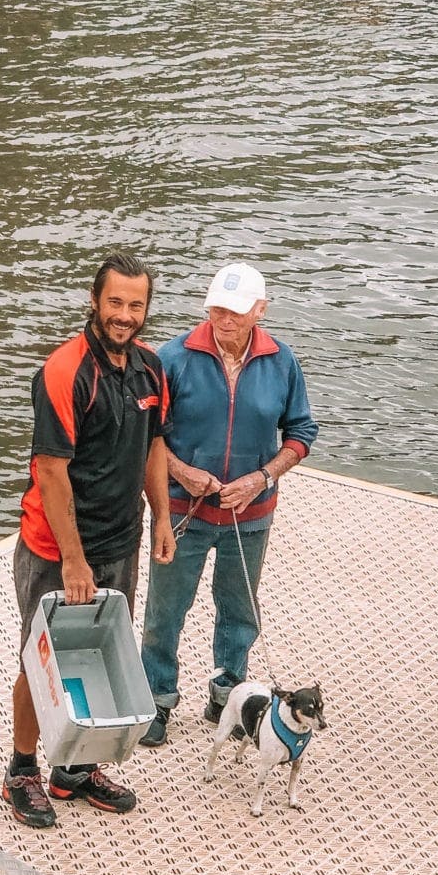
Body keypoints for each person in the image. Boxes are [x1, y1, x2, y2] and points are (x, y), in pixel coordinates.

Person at [3, 252, 175, 827]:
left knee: (102, 654)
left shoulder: (152, 371)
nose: (124, 315)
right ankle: (22, 769)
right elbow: (51, 473)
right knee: (39, 658)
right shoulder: (64, 371)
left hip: (120, 543)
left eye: (135, 304)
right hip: (56, 550)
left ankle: (74, 769)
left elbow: (154, 447)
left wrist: (162, 518)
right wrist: (73, 562)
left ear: (146, 309)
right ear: (95, 302)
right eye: (115, 303)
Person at [139, 262, 318, 746]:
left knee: (239, 611)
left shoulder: (282, 361)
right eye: (218, 307)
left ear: (261, 309)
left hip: (252, 516)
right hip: (181, 514)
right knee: (164, 612)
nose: (226, 318)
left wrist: (263, 478)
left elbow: (301, 432)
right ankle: (156, 700)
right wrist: (181, 473)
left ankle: (228, 694)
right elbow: (147, 435)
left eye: (238, 310)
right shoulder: (172, 358)